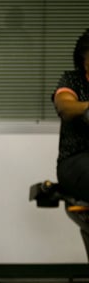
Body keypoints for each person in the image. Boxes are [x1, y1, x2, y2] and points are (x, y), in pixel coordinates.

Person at [53, 28, 89, 202]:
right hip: (75, 161)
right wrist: (86, 108)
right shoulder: (72, 80)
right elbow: (64, 105)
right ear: (84, 58)